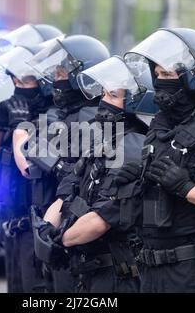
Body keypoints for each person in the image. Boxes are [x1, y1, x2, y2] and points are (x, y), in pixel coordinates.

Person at [114, 28, 195, 293]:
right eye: (157, 74)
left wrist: (186, 188)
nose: (161, 81)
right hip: (149, 268)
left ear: (193, 77)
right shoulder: (159, 126)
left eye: (168, 74)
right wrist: (137, 179)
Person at [32, 56, 152, 292]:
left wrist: (60, 242)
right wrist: (47, 230)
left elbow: (101, 220)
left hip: (117, 275)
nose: (104, 102)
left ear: (135, 104)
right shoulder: (102, 140)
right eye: (104, 93)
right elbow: (66, 193)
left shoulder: (133, 147)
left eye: (113, 96)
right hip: (88, 271)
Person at [20, 34, 111, 292]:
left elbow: (90, 176)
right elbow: (29, 150)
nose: (56, 81)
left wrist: (60, 164)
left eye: (61, 74)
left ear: (81, 77)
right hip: (52, 221)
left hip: (75, 229)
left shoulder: (93, 119)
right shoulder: (62, 115)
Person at [0, 26, 63, 293]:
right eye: (15, 80)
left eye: (26, 81)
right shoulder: (15, 111)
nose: (19, 87)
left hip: (36, 226)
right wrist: (1, 125)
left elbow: (29, 167)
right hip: (12, 222)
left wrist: (23, 130)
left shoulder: (55, 117)